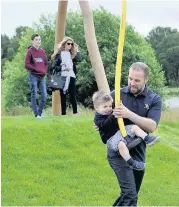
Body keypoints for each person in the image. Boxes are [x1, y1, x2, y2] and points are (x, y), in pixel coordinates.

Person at [95, 62, 162, 206]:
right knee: (130, 194)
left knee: (130, 194)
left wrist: (128, 114)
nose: (132, 83)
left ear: (146, 80)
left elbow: (152, 126)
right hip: (117, 152)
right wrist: (100, 125)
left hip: (138, 152)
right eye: (130, 78)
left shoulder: (154, 99)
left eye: (137, 80)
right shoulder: (116, 95)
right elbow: (101, 113)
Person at [93, 90, 159, 171]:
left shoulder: (110, 110)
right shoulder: (97, 118)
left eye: (110, 106)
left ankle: (147, 138)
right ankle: (131, 162)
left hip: (120, 131)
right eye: (105, 107)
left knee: (134, 127)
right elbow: (104, 125)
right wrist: (113, 115)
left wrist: (119, 105)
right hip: (110, 138)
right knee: (121, 144)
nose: (109, 109)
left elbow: (116, 108)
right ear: (97, 108)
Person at [51, 37, 82, 115]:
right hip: (62, 75)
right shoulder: (59, 54)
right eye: (68, 43)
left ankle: (75, 112)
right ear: (64, 44)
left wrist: (77, 50)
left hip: (71, 75)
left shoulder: (72, 54)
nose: (70, 45)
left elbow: (80, 59)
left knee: (72, 94)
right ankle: (63, 113)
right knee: (63, 95)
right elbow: (54, 66)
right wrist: (62, 67)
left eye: (72, 44)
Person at [24, 34, 48, 118]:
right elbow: (26, 65)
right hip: (33, 76)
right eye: (36, 39)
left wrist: (44, 70)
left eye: (39, 39)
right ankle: (36, 114)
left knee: (44, 95)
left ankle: (39, 113)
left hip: (42, 77)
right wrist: (36, 69)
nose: (38, 41)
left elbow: (45, 63)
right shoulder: (30, 51)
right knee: (34, 94)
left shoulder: (42, 51)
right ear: (33, 41)